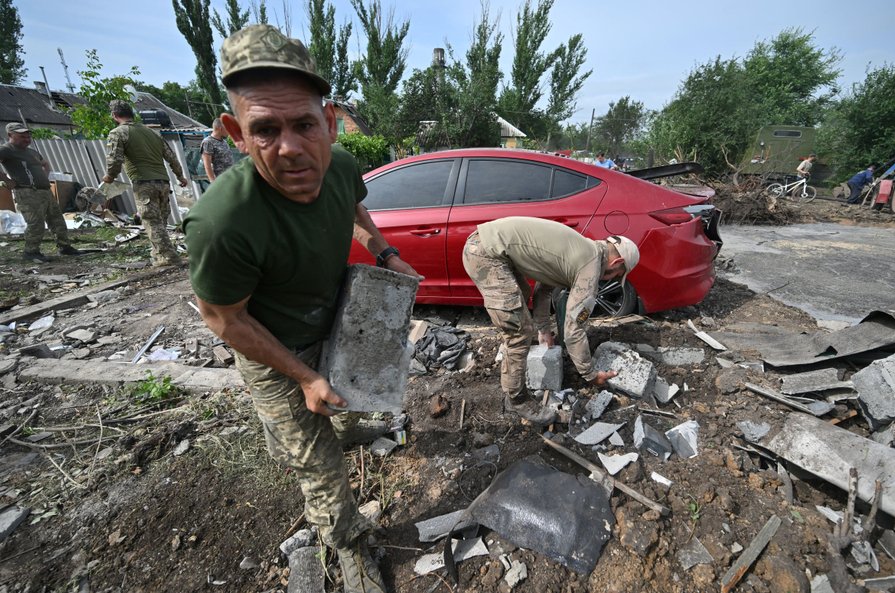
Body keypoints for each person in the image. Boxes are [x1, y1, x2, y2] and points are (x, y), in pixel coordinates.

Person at [183, 24, 420, 593]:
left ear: (331, 124)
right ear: (236, 134)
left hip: (336, 316)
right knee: (321, 465)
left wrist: (384, 252)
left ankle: (311, 424)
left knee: (351, 397)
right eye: (266, 129)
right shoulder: (222, 221)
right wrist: (306, 378)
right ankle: (347, 546)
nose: (289, 148)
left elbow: (358, 209)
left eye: (304, 125)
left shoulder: (340, 167)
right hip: (272, 350)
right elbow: (224, 319)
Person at [462, 216, 638, 424]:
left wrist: (544, 330)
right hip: (486, 254)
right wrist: (590, 374)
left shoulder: (581, 249)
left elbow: (543, 289)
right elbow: (574, 330)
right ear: (616, 263)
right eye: (617, 275)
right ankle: (517, 400)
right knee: (518, 333)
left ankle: (513, 378)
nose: (612, 279)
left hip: (487, 244)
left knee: (522, 296)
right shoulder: (589, 268)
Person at [103, 100, 188, 267]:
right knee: (160, 222)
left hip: (143, 183)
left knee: (152, 222)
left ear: (114, 116)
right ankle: (159, 256)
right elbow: (171, 157)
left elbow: (115, 160)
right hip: (163, 183)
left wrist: (109, 177)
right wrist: (180, 177)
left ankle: (169, 258)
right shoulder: (153, 133)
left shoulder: (118, 133)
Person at [0, 122, 80, 262]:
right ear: (10, 135)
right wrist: (7, 180)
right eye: (22, 136)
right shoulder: (6, 150)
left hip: (44, 191)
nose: (27, 139)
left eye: (28, 136)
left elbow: (45, 164)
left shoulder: (31, 152)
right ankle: (31, 252)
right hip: (27, 192)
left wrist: (44, 177)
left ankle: (65, 247)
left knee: (57, 220)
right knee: (35, 223)